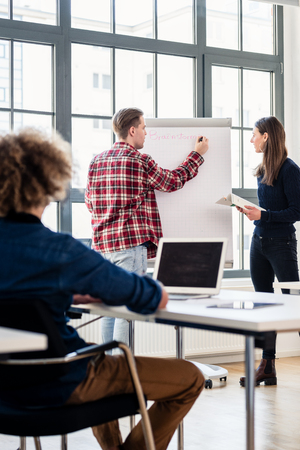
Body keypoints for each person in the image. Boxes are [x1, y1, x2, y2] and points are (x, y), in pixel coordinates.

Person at [0, 128, 205, 450]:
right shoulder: (60, 251)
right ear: (49, 183)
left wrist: (66, 293)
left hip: (6, 390)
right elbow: (152, 297)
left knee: (96, 357)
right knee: (190, 377)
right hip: (62, 381)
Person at [85, 107, 209, 353]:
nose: (145, 133)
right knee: (127, 312)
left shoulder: (96, 161)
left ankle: (108, 371)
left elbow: (89, 202)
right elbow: (172, 181)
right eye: (143, 128)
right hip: (129, 249)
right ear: (132, 130)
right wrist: (196, 154)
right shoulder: (140, 161)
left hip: (101, 249)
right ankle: (123, 372)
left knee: (108, 310)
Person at [236, 116, 300, 386]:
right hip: (259, 242)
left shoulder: (289, 169)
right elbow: (267, 213)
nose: (251, 139)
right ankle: (268, 366)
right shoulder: (263, 169)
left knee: (294, 304)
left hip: (282, 244)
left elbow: (297, 211)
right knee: (264, 305)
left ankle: (268, 365)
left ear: (267, 137)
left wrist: (264, 215)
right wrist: (254, 213)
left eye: (254, 134)